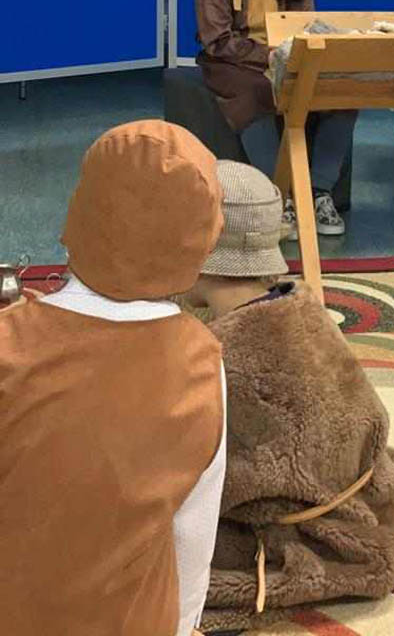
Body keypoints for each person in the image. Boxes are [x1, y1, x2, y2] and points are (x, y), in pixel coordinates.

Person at [0, 121, 227, 636]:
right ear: (202, 241)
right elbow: (193, 540)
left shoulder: (9, 343)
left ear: (78, 213)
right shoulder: (202, 363)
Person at [181, 160, 394, 632]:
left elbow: (222, 477)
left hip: (298, 525)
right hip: (355, 493)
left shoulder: (221, 358)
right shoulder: (300, 303)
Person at [195, 0, 356, 239]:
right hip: (237, 60)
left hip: (286, 52)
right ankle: (278, 195)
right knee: (257, 92)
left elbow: (304, 20)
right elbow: (217, 39)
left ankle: (318, 191)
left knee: (342, 91)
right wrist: (265, 55)